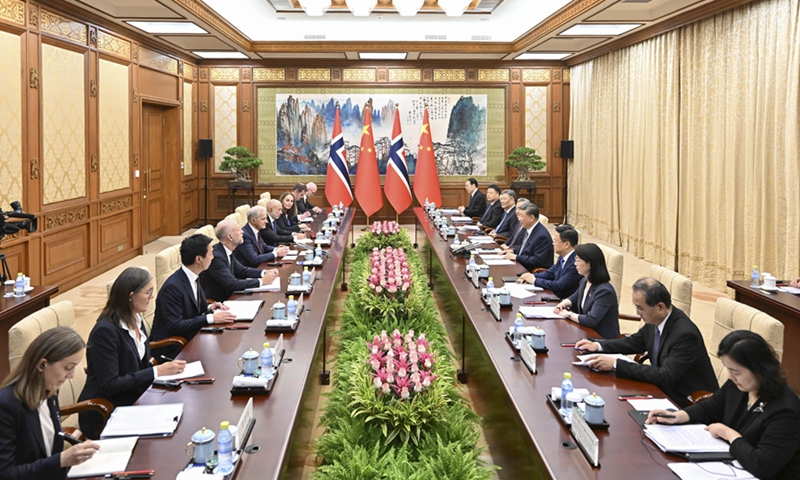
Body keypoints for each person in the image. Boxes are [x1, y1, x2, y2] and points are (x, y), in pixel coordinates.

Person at [647, 331, 800, 479]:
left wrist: (729, 434)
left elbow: (762, 465)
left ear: (759, 369)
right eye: (728, 369)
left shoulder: (785, 410)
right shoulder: (739, 385)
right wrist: (677, 416)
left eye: (736, 372)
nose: (730, 376)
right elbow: (710, 408)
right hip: (730, 466)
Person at [576, 277, 718, 407]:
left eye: (640, 308)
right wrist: (598, 345)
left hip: (688, 402)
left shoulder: (685, 334)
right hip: (662, 391)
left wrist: (615, 364)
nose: (638, 313)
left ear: (660, 307)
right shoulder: (656, 319)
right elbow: (634, 342)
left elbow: (665, 376)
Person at [79, 268, 186, 438]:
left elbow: (138, 364)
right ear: (130, 295)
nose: (152, 297)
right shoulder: (105, 332)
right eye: (148, 292)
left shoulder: (135, 317)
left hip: (135, 398)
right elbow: (110, 384)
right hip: (107, 411)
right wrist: (156, 372)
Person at [0, 327, 100, 479]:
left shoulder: (50, 391)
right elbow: (6, 474)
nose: (72, 375)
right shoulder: (6, 406)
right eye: (68, 367)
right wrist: (61, 460)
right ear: (42, 365)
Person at [151, 234, 236, 358]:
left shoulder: (194, 275)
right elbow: (175, 326)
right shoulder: (173, 287)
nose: (213, 257)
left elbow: (194, 308)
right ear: (199, 259)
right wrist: (211, 318)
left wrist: (210, 307)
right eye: (210, 254)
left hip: (193, 337)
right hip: (173, 348)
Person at [199, 220, 279, 302]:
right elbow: (231, 283)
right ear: (230, 237)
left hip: (231, 296)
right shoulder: (216, 257)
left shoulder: (226, 250)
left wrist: (265, 272)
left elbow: (242, 270)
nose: (242, 232)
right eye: (238, 230)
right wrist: (261, 281)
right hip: (219, 301)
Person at [552, 243, 619, 339]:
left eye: (578, 260)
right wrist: (562, 304)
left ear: (590, 264)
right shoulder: (585, 280)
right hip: (584, 333)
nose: (575, 264)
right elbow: (575, 298)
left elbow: (591, 320)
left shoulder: (605, 291)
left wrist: (568, 314)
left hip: (601, 340)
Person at [518, 225, 582, 299]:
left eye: (555, 241)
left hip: (564, 301)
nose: (553, 243)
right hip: (554, 296)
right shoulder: (563, 255)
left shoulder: (576, 263)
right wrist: (530, 276)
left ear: (566, 244)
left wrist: (534, 280)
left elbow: (559, 286)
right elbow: (550, 273)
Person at [503, 203, 554, 271]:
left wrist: (516, 257)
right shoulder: (528, 229)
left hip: (531, 271)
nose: (519, 219)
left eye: (522, 216)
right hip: (521, 266)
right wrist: (512, 251)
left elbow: (537, 260)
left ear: (531, 218)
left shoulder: (541, 236)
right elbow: (525, 249)